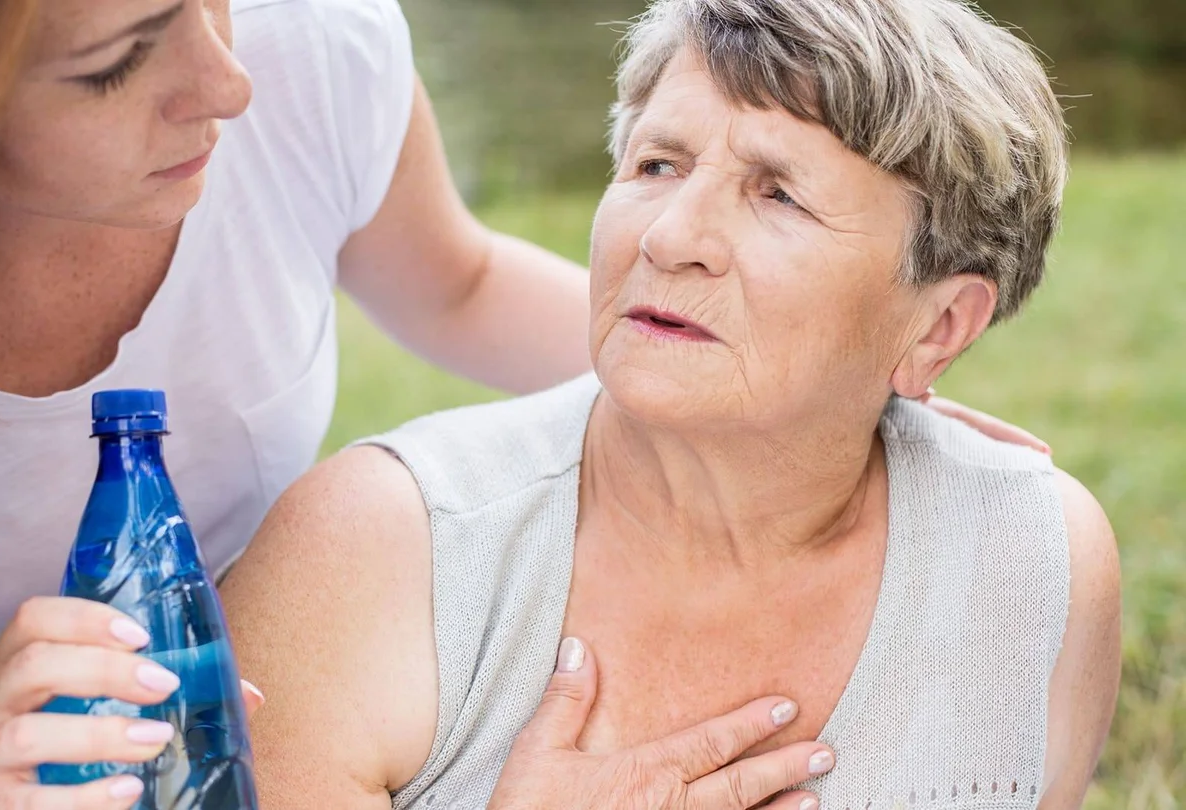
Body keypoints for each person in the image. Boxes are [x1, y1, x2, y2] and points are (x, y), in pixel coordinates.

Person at [0, 0, 1047, 807]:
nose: (225, 81)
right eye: (117, 59)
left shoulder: (305, 52)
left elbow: (464, 281)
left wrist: (793, 382)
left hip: (239, 663)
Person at [218, 0, 1123, 808]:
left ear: (938, 327)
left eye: (778, 194)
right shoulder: (371, 550)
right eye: (656, 164)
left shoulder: (1034, 563)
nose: (669, 235)